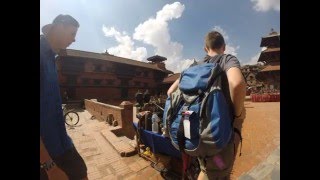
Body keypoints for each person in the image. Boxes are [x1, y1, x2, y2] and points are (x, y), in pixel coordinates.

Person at [167, 31, 246, 179]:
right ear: (223, 46)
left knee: (208, 164)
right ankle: (220, 169)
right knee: (214, 171)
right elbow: (237, 84)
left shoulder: (193, 66)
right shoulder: (226, 59)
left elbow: (170, 92)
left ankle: (218, 168)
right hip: (216, 131)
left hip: (195, 130)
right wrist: (238, 115)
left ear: (205, 48)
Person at [40, 14, 88, 180]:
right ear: (60, 26)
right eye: (72, 33)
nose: (74, 40)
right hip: (46, 153)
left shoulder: (53, 58)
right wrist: (49, 167)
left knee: (82, 173)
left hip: (63, 143)